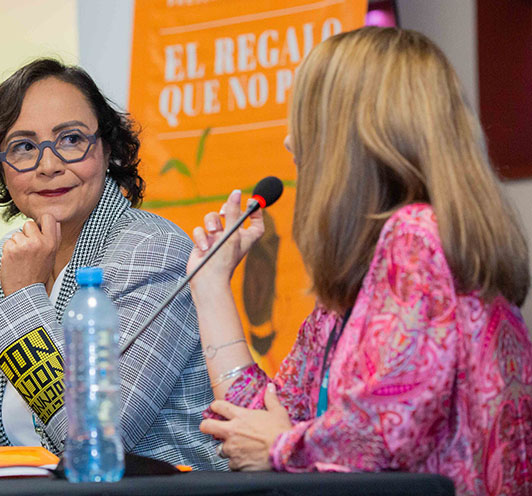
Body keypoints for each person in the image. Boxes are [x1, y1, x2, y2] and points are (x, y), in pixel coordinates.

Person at [188, 27, 532, 495]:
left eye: (308, 118)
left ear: (356, 137)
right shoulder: (352, 290)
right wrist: (209, 284)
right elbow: (257, 421)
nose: (289, 142)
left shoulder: (416, 237)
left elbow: (383, 437)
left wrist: (283, 447)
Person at [0, 58, 222, 470]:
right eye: (24, 147)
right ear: (1, 167)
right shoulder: (10, 258)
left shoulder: (151, 249)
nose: (48, 165)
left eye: (71, 139)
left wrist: (23, 297)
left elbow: (97, 433)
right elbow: (18, 431)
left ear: (108, 149)